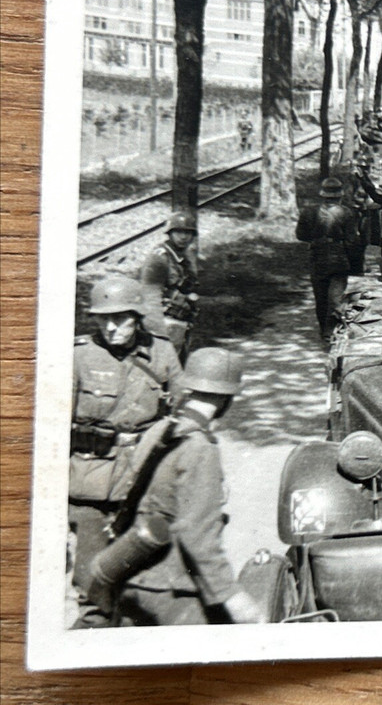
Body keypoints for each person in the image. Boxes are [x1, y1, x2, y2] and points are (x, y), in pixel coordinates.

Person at [107, 348, 267, 625]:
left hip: (134, 577)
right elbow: (197, 535)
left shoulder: (160, 430)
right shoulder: (200, 448)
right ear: (225, 396)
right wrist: (232, 596)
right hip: (173, 591)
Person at [69, 276, 183, 627]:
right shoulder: (79, 356)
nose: (111, 326)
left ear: (137, 316)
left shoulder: (162, 352)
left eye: (120, 317)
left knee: (142, 573)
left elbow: (181, 412)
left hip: (144, 478)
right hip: (92, 483)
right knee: (93, 580)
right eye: (103, 318)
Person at [296, 177, 361, 339]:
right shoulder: (347, 213)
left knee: (320, 296)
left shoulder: (309, 212)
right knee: (335, 297)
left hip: (317, 257)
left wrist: (316, 239)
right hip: (339, 258)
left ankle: (323, 329)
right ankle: (330, 330)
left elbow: (301, 235)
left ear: (323, 195)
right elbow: (352, 240)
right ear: (340, 195)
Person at [140, 210, 200, 361]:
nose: (183, 237)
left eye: (188, 233)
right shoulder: (159, 257)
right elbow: (150, 296)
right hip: (163, 323)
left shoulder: (186, 256)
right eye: (179, 232)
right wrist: (158, 331)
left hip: (181, 322)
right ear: (170, 233)